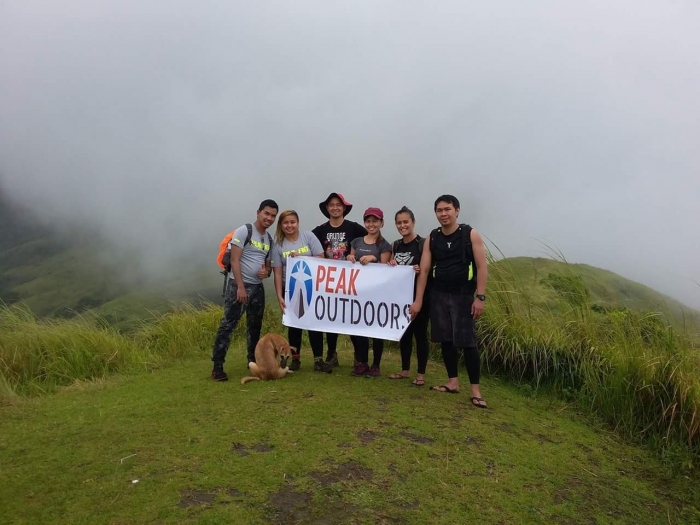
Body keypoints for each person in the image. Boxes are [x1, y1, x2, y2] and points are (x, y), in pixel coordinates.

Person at [410, 195, 489, 408]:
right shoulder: (432, 238)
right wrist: (418, 301)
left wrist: (480, 297)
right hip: (438, 294)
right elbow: (424, 271)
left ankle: (476, 390)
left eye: (447, 209)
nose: (443, 214)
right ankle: (452, 382)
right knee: (446, 340)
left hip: (464, 295)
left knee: (468, 342)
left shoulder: (470, 234)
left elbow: (482, 267)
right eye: (439, 210)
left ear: (457, 211)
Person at [211, 199, 278, 382]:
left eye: (273, 215)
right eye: (266, 213)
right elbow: (234, 260)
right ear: (258, 212)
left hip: (257, 287)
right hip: (239, 286)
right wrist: (240, 287)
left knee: (254, 326)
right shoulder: (244, 231)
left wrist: (267, 271)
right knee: (228, 325)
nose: (269, 218)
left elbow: (268, 266)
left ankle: (253, 361)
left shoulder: (269, 239)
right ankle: (217, 366)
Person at [271, 210, 333, 373]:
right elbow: (277, 272)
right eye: (285, 223)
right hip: (290, 290)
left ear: (298, 223)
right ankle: (295, 359)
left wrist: (302, 258)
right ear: (281, 225)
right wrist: (279, 295)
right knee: (294, 325)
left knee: (314, 323)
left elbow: (321, 258)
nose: (289, 225)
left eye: (292, 222)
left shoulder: (309, 237)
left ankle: (318, 360)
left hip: (311, 287)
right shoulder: (278, 245)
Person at [310, 193, 367, 367]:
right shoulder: (319, 231)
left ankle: (359, 356)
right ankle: (331, 354)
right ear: (327, 209)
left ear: (344, 208)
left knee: (352, 317)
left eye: (338, 205)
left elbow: (372, 240)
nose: (335, 208)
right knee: (330, 317)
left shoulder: (355, 228)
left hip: (351, 281)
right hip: (327, 282)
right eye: (331, 205)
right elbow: (309, 249)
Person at [347, 207, 392, 378]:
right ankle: (362, 362)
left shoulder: (384, 245)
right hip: (357, 292)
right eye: (368, 221)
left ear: (381, 223)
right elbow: (350, 264)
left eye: (375, 221)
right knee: (357, 328)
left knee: (375, 330)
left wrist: (374, 259)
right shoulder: (356, 242)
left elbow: (385, 270)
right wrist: (350, 258)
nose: (371, 224)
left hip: (376, 293)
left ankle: (376, 365)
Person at [388, 206, 430, 387]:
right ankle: (405, 370)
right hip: (400, 298)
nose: (402, 225)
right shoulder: (395, 245)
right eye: (399, 222)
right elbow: (389, 270)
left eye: (406, 222)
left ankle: (421, 374)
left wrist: (418, 268)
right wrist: (391, 264)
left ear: (413, 222)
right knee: (404, 334)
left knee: (420, 335)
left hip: (420, 297)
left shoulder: (423, 243)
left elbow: (426, 270)